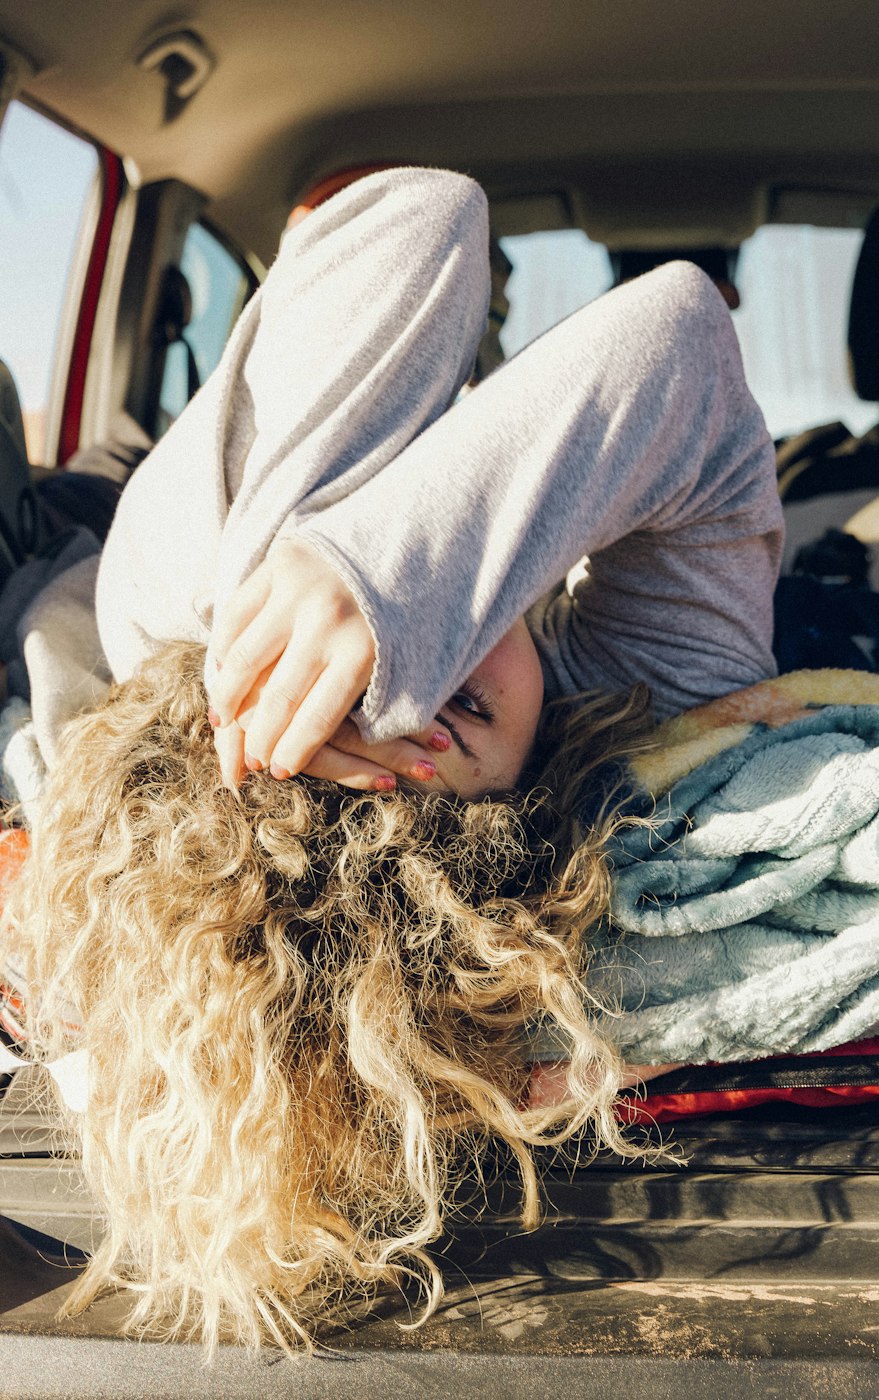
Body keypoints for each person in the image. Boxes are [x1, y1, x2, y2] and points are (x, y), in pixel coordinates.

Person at [1, 167, 782, 1352]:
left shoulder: (180, 611)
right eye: (451, 700)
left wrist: (326, 589)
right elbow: (684, 334)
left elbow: (417, 215)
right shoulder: (607, 713)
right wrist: (392, 583)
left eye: (332, 705)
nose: (396, 691)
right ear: (527, 799)